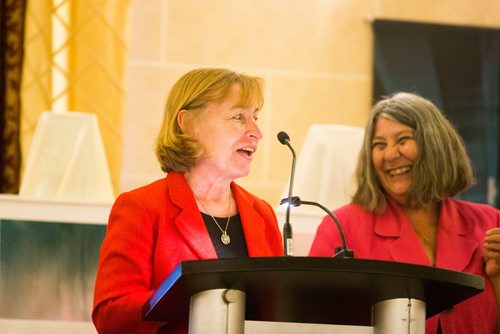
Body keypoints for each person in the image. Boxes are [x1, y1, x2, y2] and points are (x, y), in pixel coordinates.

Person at [92, 68, 284, 333]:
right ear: (188, 123)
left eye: (255, 117)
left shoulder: (262, 214)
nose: (257, 132)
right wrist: (200, 299)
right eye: (239, 117)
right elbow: (110, 315)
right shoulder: (141, 207)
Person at [309, 92, 500, 333]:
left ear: (434, 146)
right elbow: (315, 321)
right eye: (379, 145)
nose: (390, 154)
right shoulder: (341, 227)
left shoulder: (491, 223)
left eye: (402, 140)